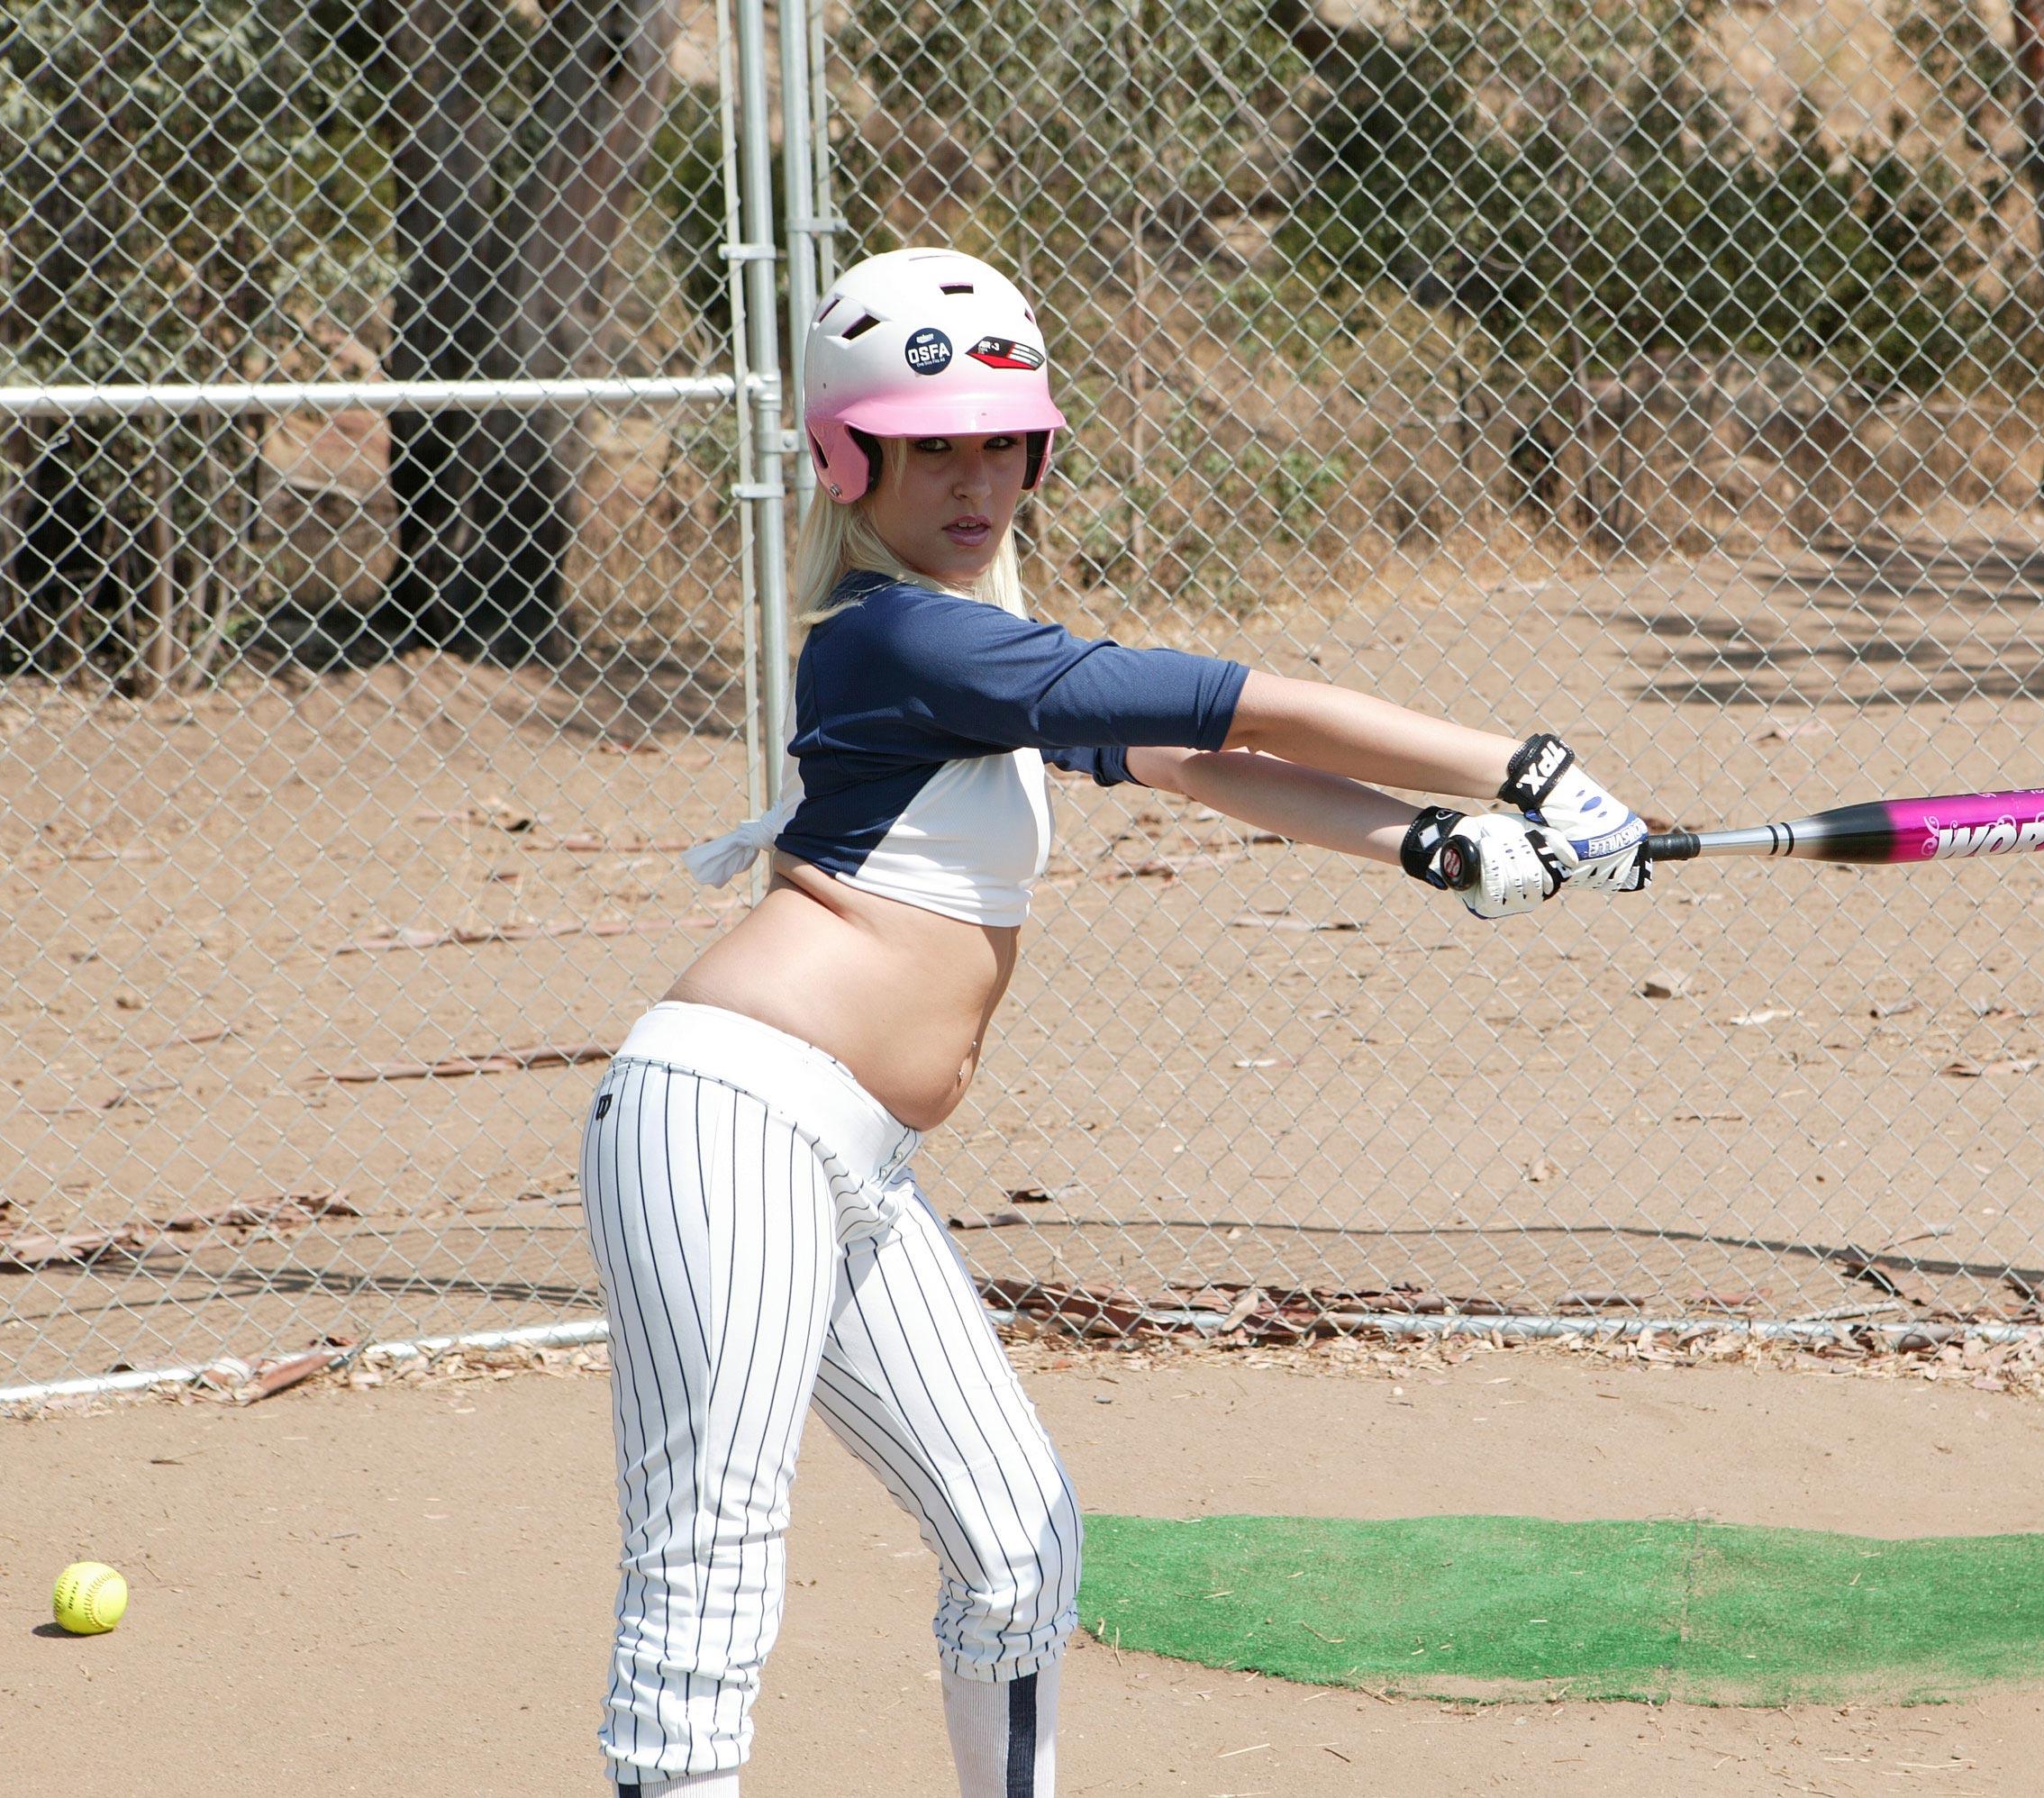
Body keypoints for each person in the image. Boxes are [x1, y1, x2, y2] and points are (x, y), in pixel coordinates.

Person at [579, 245, 1653, 1796]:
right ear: (847, 456)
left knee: (1020, 1543)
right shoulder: (899, 639)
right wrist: (1524, 771)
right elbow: (1243, 705)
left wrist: (1425, 844)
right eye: (930, 444)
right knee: (714, 1567)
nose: (974, 478)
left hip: (848, 1157)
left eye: (1001, 441)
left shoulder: (976, 650)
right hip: (723, 1125)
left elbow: (1197, 763)